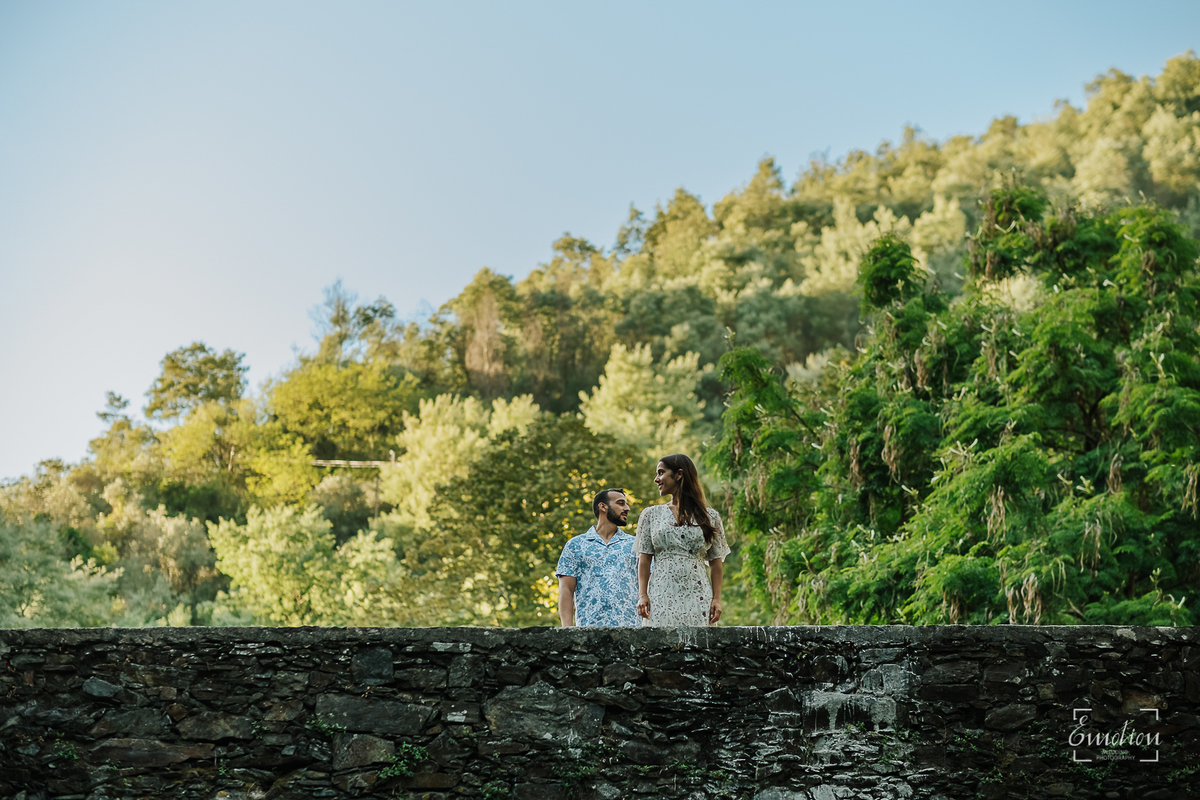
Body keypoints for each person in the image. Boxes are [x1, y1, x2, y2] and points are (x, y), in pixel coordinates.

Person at [634, 454, 730, 626]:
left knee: (700, 649)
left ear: (679, 474)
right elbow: (644, 559)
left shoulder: (711, 517)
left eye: (661, 473)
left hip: (699, 596)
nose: (656, 479)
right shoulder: (651, 515)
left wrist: (717, 599)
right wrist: (642, 595)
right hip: (660, 595)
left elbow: (716, 562)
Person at [555, 488, 641, 627]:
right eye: (621, 503)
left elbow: (649, 587)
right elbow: (566, 590)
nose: (627, 508)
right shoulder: (575, 545)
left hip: (631, 632)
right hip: (589, 632)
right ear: (603, 506)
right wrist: (568, 632)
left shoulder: (636, 545)